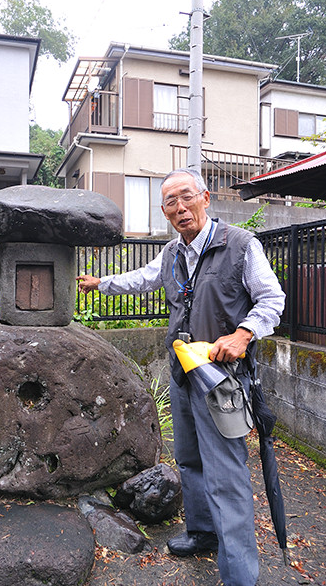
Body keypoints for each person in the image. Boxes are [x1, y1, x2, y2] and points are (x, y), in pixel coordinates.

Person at [77, 168, 285, 586]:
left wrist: (244, 334)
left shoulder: (241, 245)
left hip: (222, 378)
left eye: (186, 197)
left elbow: (271, 299)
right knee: (190, 461)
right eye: (171, 202)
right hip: (183, 372)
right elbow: (144, 278)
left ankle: (240, 575)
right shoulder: (173, 252)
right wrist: (101, 284)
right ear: (164, 211)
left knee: (225, 474)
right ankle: (204, 533)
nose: (180, 208)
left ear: (205, 198)